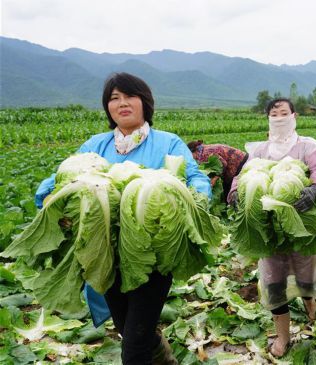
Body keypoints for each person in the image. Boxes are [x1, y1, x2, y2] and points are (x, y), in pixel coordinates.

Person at [35, 72, 211, 364]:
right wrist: (53, 206)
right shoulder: (95, 146)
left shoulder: (169, 143)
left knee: (133, 346)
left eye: (130, 96)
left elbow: (195, 179)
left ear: (145, 103)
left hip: (154, 254)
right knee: (126, 327)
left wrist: (194, 201)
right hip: (106, 253)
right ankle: (165, 357)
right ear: (107, 107)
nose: (122, 103)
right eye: (114, 98)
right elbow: (59, 181)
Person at [227, 98, 316, 357]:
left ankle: (310, 303)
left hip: (302, 225)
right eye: (274, 114)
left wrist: (315, 188)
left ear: (294, 116)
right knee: (274, 281)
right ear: (268, 119)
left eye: (284, 113)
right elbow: (242, 174)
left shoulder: (308, 146)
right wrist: (236, 191)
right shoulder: (260, 150)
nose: (279, 117)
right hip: (268, 231)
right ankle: (283, 337)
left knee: (306, 274)